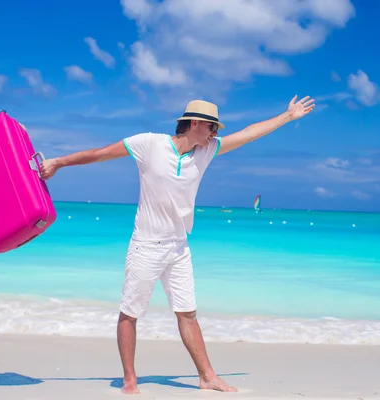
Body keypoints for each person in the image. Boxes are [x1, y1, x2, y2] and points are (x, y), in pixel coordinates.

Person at [39, 94, 315, 395]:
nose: (215, 134)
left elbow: (247, 134)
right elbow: (100, 154)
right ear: (195, 123)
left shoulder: (207, 150)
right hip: (146, 244)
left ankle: (207, 376)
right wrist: (58, 163)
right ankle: (130, 380)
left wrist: (287, 116)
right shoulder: (149, 144)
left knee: (187, 313)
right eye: (212, 127)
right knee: (130, 314)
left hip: (179, 247)